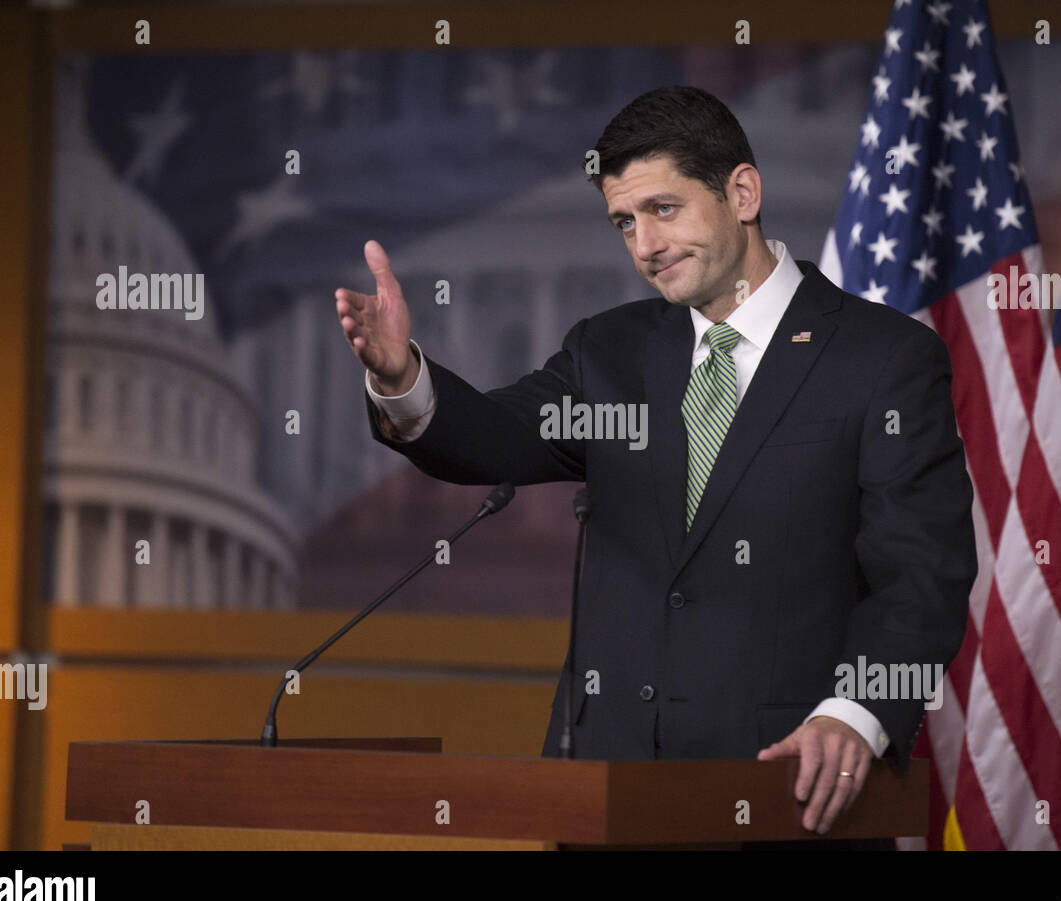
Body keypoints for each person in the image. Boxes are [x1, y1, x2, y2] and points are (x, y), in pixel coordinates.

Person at [335, 85, 976, 838]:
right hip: (603, 796)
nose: (644, 245)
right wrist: (400, 375)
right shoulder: (609, 353)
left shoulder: (882, 360)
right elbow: (490, 435)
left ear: (742, 192)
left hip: (781, 793)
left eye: (663, 209)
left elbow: (923, 576)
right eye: (623, 222)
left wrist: (854, 716)